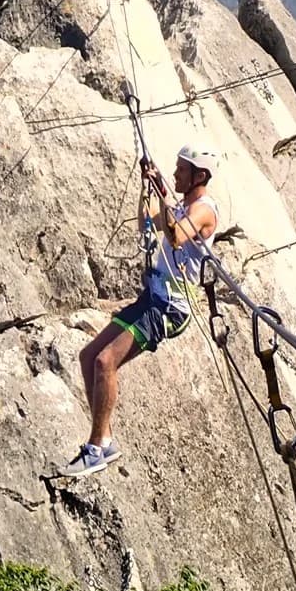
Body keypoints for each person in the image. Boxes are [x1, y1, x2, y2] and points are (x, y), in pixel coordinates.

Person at [59, 143, 222, 476]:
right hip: (153, 298)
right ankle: (105, 441)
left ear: (199, 176)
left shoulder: (204, 210)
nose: (176, 174)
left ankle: (95, 449)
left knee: (105, 361)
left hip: (171, 308)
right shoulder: (183, 206)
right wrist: (146, 187)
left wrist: (162, 192)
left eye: (182, 169)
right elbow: (145, 222)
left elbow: (175, 236)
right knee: (88, 356)